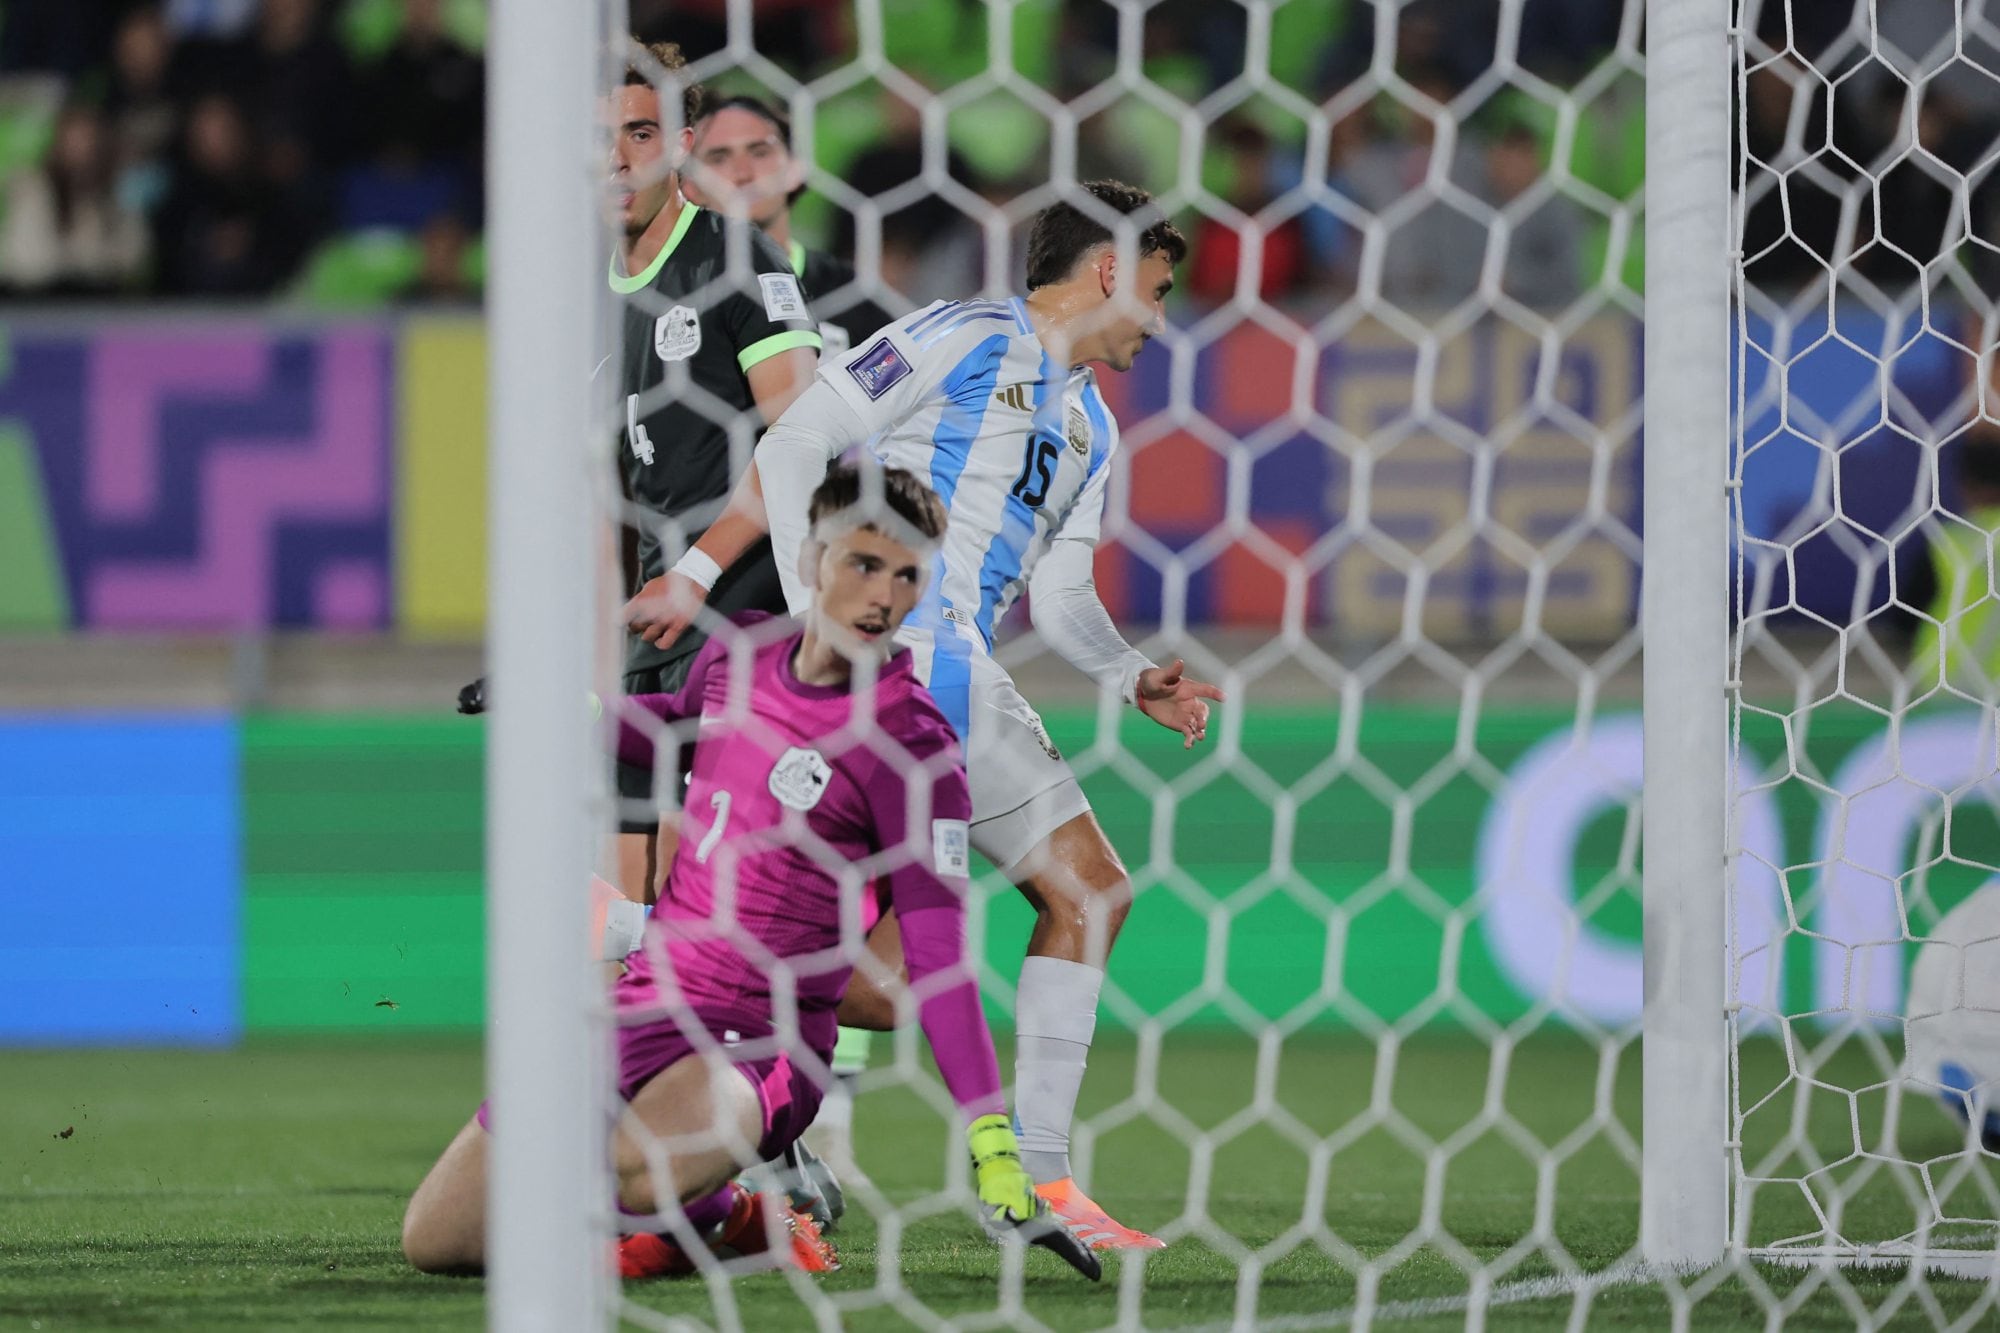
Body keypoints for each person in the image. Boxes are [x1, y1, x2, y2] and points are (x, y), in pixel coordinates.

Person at [634, 179, 1222, 1249]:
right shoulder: (962, 337)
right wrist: (825, 624)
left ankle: (1037, 1181)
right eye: (1157, 287)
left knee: (1077, 898)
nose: (1159, 313)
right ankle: (653, 950)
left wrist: (1132, 674)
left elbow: (1063, 596)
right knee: (909, 976)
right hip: (893, 664)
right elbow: (793, 443)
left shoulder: (1089, 423)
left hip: (964, 683)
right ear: (1105, 269)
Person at [400, 465, 1098, 1284]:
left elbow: (938, 958)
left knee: (635, 1170)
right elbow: (674, 729)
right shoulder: (746, 654)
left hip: (759, 1037)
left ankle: (719, 1207)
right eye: (864, 564)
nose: (884, 594)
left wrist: (991, 1143)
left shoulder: (914, 748)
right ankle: (728, 1215)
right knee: (439, 1240)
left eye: (909, 573)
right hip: (646, 998)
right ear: (811, 560)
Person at [679, 88, 902, 1185]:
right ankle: (730, 1114)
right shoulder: (673, 305)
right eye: (714, 154)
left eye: (757, 149)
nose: (739, 169)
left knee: (842, 880)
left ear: (795, 165)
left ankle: (824, 1117)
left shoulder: (860, 305)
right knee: (708, 877)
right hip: (712, 634)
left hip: (827, 642)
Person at [605, 41, 821, 904]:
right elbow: (607, 501)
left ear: (683, 142)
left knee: (711, 922)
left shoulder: (738, 265)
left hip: (742, 622)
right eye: (597, 139)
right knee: (625, 930)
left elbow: (802, 444)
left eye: (641, 133)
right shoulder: (580, 300)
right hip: (649, 633)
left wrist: (697, 574)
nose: (617, 159)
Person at [682, 93, 898, 359]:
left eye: (760, 152)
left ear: (795, 170)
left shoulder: (853, 294)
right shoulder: (674, 296)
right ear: (689, 185)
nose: (743, 173)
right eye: (719, 158)